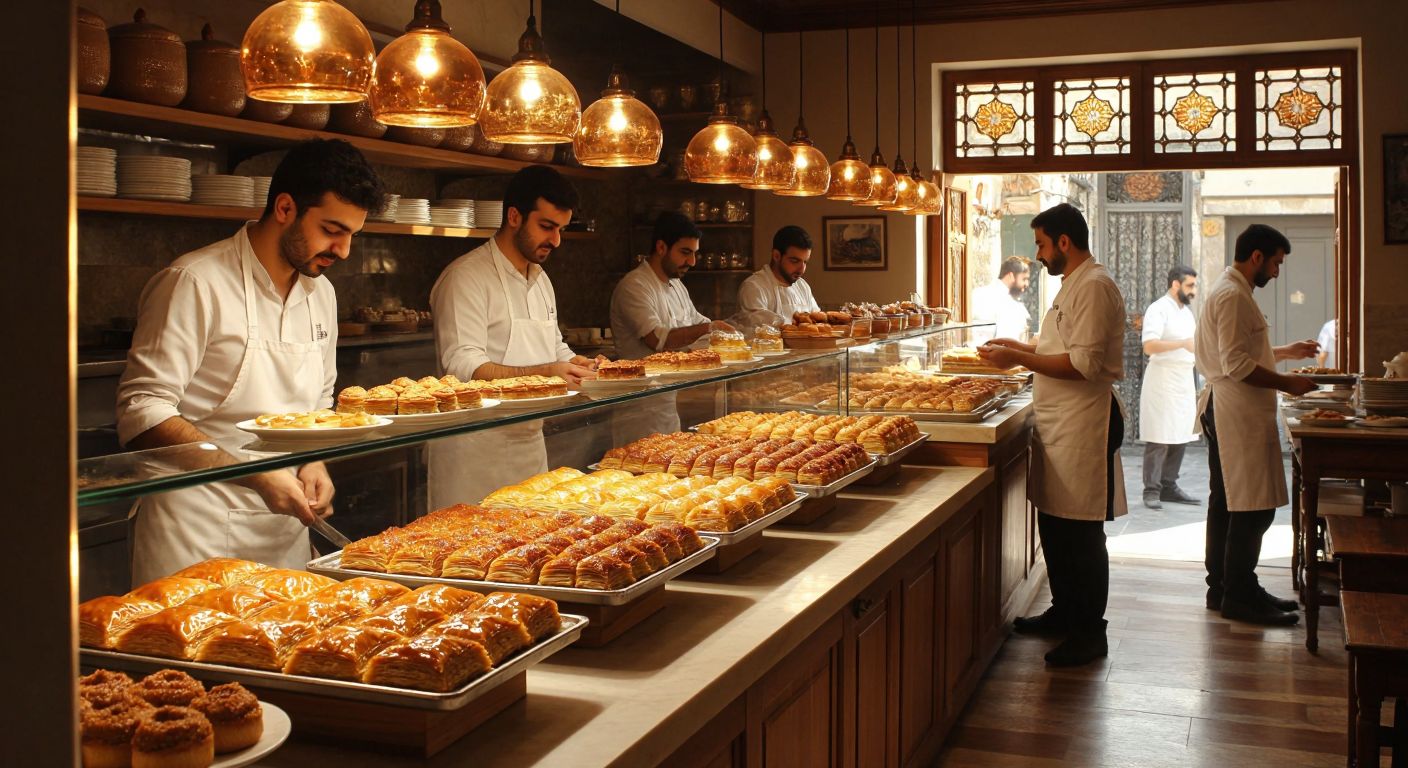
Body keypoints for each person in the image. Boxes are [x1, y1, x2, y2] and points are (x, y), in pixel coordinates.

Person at [116, 139, 385, 584]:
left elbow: (319, 403)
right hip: (194, 532)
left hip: (283, 532)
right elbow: (142, 409)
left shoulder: (322, 294)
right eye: (332, 230)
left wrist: (313, 463)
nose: (343, 250)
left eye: (352, 235)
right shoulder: (194, 282)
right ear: (285, 208)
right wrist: (256, 475)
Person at [977, 203, 1127, 667]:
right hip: (1061, 422)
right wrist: (1017, 346)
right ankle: (1065, 612)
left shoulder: (1095, 286)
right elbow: (1059, 347)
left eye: (1042, 244)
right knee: (1056, 526)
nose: (1038, 255)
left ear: (1064, 241)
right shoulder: (1073, 284)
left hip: (1086, 424)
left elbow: (1083, 364)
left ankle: (1090, 632)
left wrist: (1018, 359)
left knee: (1081, 534)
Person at [429, 165, 596, 507]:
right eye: (547, 227)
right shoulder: (465, 278)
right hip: (474, 455)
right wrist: (547, 373)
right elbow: (462, 367)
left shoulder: (541, 279)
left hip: (530, 444)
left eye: (561, 229)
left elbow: (554, 347)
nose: (556, 241)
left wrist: (577, 363)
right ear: (515, 216)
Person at [1195, 224, 1319, 625]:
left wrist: (1284, 351)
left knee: (1228, 503)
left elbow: (1241, 350)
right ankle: (1239, 595)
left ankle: (1226, 588)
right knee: (1252, 507)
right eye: (1276, 263)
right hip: (1235, 411)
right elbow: (1236, 364)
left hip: (1233, 408)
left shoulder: (1232, 290)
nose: (1277, 272)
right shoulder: (1232, 295)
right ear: (1256, 257)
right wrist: (1287, 383)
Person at [610, 212, 734, 439]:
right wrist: (709, 329)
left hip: (668, 402)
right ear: (661, 247)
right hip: (637, 409)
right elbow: (657, 340)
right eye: (685, 252)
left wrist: (730, 335)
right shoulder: (634, 286)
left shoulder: (676, 285)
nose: (692, 262)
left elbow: (699, 322)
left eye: (695, 253)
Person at [1139, 265, 1200, 509]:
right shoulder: (1158, 309)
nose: (1194, 291)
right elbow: (1149, 346)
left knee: (1181, 433)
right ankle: (1151, 490)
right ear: (1176, 284)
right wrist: (1182, 344)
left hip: (1184, 378)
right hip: (1162, 379)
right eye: (1190, 285)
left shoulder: (1187, 313)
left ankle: (1169, 486)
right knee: (1160, 435)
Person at [737, 225, 821, 325]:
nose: (801, 269)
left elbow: (818, 322)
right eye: (794, 261)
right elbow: (758, 328)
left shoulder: (803, 286)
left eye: (805, 262)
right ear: (776, 256)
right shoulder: (753, 287)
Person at [970, 256, 1033, 343]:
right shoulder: (983, 296)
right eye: (1024, 279)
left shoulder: (1015, 304)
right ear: (1011, 276)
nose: (1027, 284)